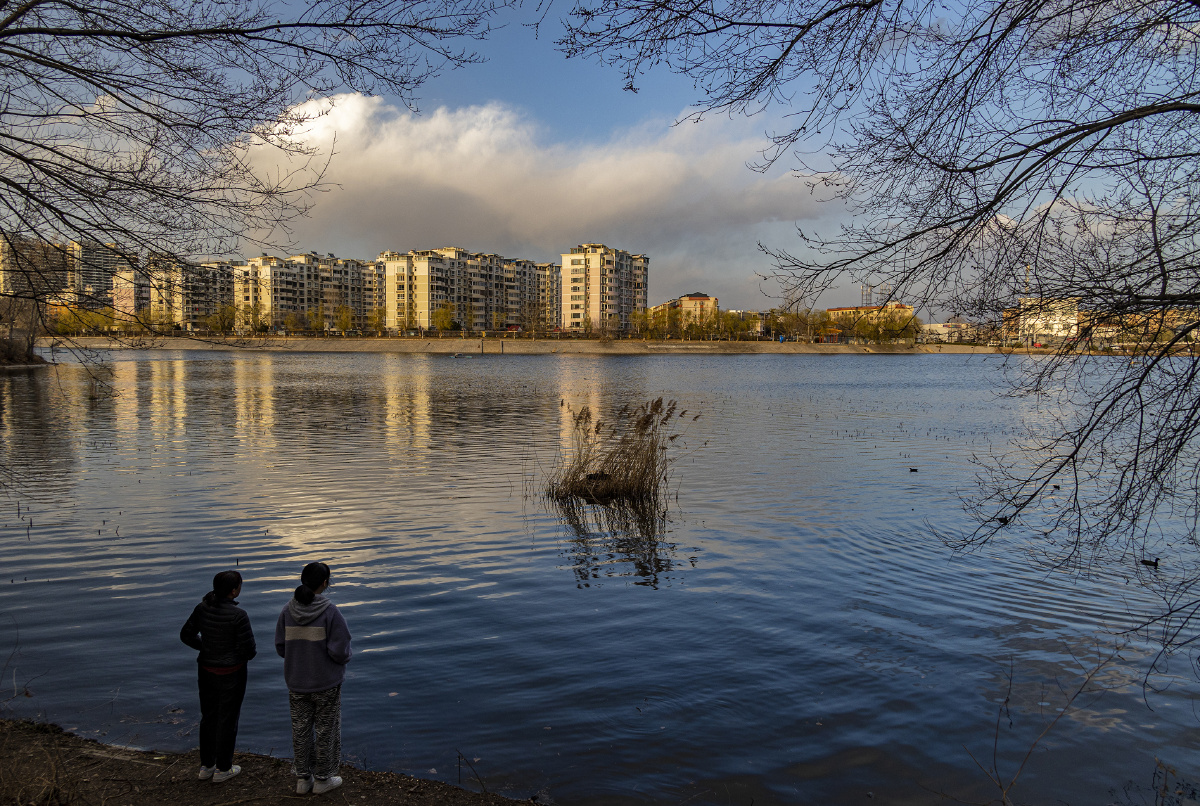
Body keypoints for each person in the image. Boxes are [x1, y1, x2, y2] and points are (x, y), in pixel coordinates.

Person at [275, 562, 352, 795]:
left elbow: (281, 647)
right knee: (327, 729)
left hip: (297, 682)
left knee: (300, 729)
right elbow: (340, 651)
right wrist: (344, 659)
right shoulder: (330, 612)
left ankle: (303, 779)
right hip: (326, 683)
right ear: (325, 583)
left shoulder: (288, 611)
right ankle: (322, 779)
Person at [179, 569, 256, 783]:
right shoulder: (239, 616)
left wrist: (206, 648)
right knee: (228, 720)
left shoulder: (202, 608)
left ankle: (207, 765)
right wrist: (230, 655)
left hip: (206, 670)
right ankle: (223, 768)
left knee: (209, 717)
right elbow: (249, 651)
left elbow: (186, 635)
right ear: (234, 591)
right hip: (233, 673)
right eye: (240, 585)